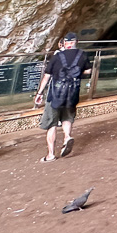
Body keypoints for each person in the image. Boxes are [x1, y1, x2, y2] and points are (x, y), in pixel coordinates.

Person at [35, 32, 92, 162]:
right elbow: (88, 71)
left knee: (52, 124)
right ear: (76, 42)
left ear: (65, 43)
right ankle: (67, 137)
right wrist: (77, 74)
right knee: (67, 118)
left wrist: (39, 94)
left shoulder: (57, 56)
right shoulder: (82, 55)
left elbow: (47, 76)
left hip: (55, 95)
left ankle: (51, 155)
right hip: (72, 94)